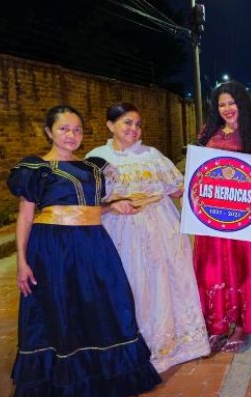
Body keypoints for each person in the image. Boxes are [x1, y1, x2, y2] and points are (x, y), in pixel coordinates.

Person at [7, 105, 161, 397]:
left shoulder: (93, 167)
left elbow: (90, 207)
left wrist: (114, 206)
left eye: (77, 129)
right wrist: (22, 261)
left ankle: (103, 377)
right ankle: (67, 384)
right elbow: (25, 217)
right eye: (64, 129)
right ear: (49, 131)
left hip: (93, 245)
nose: (71, 135)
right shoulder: (36, 169)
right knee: (61, 311)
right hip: (54, 249)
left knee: (108, 305)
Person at [86, 102, 210, 372]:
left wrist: (210, 177)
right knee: (133, 284)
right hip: (121, 231)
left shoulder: (152, 155)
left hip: (161, 226)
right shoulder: (96, 157)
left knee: (165, 281)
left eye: (137, 124)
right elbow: (85, 202)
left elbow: (179, 189)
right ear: (110, 125)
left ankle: (174, 343)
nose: (134, 129)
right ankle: (135, 345)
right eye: (127, 123)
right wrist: (111, 205)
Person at [193, 81, 251, 353]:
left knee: (242, 270)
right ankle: (218, 324)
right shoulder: (207, 135)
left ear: (242, 104)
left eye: (232, 102)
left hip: (245, 224)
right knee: (213, 270)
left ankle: (241, 324)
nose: (227, 109)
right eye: (222, 104)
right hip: (213, 221)